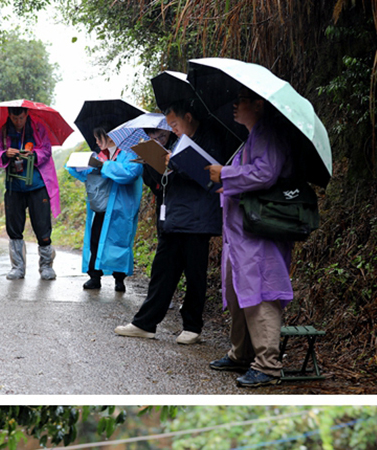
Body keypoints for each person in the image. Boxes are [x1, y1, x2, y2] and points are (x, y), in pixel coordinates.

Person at [115, 100, 232, 345]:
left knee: (195, 273)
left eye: (174, 124)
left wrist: (175, 162)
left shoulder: (210, 137)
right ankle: (145, 323)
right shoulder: (178, 142)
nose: (173, 130)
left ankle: (192, 326)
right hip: (173, 216)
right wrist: (152, 162)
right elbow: (161, 184)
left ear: (188, 117)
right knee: (162, 271)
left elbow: (209, 174)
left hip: (197, 218)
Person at [206, 89, 295, 387]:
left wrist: (226, 175)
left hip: (259, 232)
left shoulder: (268, 132)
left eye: (240, 101)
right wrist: (227, 181)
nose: (234, 106)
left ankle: (268, 365)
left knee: (261, 291)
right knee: (239, 292)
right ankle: (241, 354)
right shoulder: (251, 137)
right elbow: (250, 175)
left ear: (258, 104)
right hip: (241, 233)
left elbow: (266, 173)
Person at [66, 127, 143, 292]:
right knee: (95, 241)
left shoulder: (129, 153)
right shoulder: (99, 155)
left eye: (98, 137)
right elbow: (85, 174)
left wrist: (106, 166)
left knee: (119, 242)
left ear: (109, 136)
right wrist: (78, 164)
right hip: (102, 207)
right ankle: (94, 277)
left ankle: (119, 279)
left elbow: (131, 173)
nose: (96, 142)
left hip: (120, 209)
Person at [0, 107, 60, 281]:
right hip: (14, 187)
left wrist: (33, 154)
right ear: (9, 115)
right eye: (15, 118)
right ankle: (17, 267)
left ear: (26, 114)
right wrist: (5, 154)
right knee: (14, 228)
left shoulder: (38, 128)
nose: (18, 122)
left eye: (21, 118)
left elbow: (46, 150)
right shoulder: (2, 131)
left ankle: (46, 266)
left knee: (43, 227)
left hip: (37, 185)